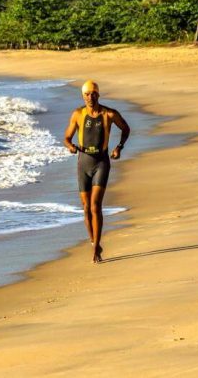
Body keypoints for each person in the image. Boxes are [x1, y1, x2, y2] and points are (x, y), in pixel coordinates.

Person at [63, 80, 130, 263]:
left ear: (98, 95)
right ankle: (94, 241)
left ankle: (96, 250)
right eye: (86, 94)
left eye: (93, 94)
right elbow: (67, 138)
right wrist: (70, 146)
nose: (90, 97)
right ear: (83, 96)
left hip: (101, 162)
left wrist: (119, 147)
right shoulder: (78, 115)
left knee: (95, 205)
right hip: (83, 163)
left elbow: (125, 128)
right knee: (85, 208)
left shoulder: (109, 114)